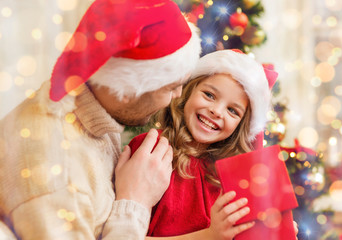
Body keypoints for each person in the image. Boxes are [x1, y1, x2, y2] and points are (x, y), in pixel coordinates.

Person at [0, 0, 201, 239]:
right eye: (171, 87)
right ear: (127, 91)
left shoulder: (94, 100)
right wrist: (135, 202)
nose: (177, 96)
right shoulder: (56, 178)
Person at [125, 49, 295, 239]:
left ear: (240, 126)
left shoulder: (233, 179)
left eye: (232, 110)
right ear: (188, 91)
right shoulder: (151, 150)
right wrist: (210, 235)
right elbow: (123, 233)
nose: (217, 111)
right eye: (210, 95)